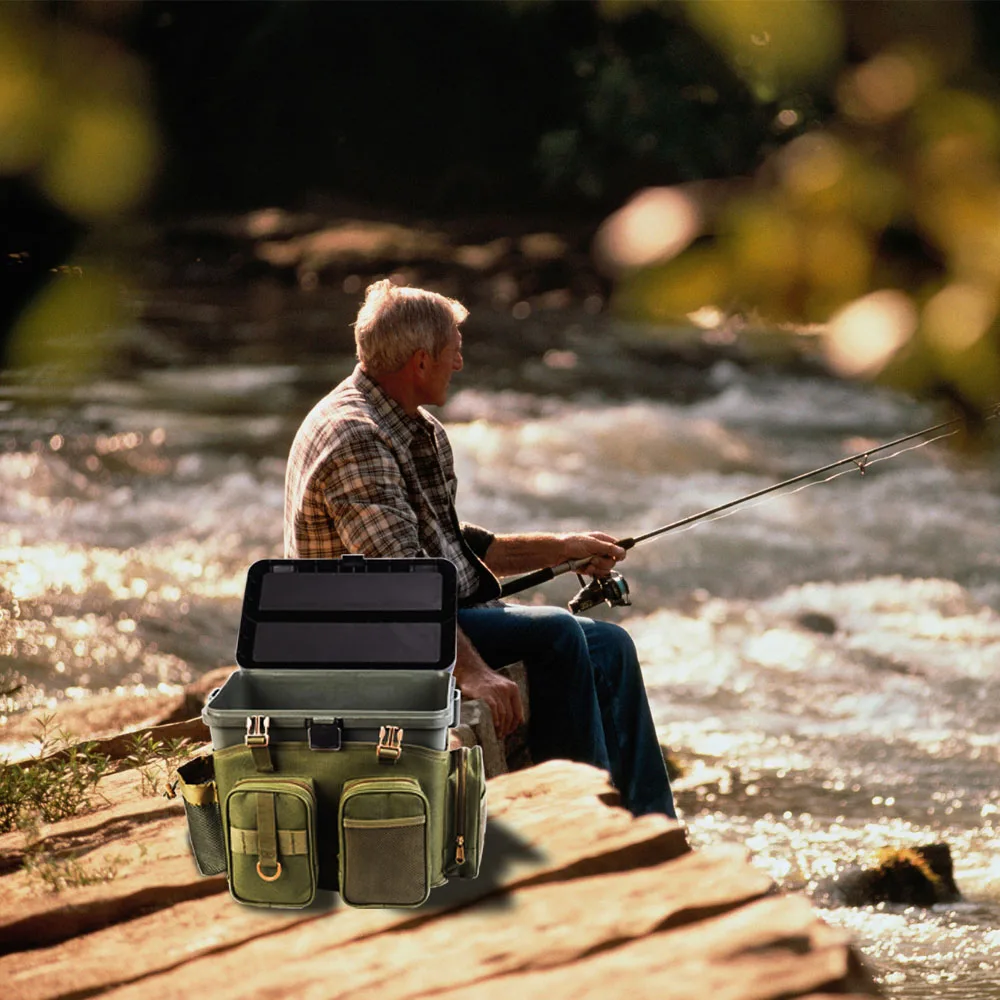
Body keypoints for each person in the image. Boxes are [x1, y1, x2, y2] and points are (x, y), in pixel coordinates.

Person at [284, 280, 676, 818]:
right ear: (421, 362)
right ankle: (576, 816)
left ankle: (653, 826)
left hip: (414, 611)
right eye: (454, 351)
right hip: (364, 636)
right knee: (557, 635)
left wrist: (561, 549)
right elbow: (399, 581)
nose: (461, 364)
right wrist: (467, 670)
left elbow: (448, 542)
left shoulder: (412, 426)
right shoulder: (356, 437)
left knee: (611, 646)